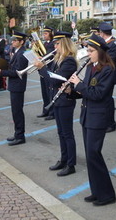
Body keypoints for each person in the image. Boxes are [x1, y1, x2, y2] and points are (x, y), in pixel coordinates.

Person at [68, 34, 116, 206]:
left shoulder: (108, 69)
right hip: (87, 115)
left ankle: (107, 194)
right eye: (87, 50)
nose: (88, 53)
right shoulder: (90, 67)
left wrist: (79, 84)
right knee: (90, 156)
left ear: (100, 52)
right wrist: (70, 91)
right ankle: (96, 191)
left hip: (99, 117)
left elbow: (98, 94)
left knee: (94, 154)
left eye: (91, 51)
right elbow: (85, 92)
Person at [35, 31, 78, 176]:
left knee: (67, 133)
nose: (55, 45)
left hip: (65, 100)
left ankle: (71, 164)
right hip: (57, 99)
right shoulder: (57, 59)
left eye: (57, 43)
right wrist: (42, 67)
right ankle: (64, 159)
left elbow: (55, 79)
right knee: (61, 132)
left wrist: (42, 67)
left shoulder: (69, 60)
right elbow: (47, 77)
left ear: (64, 44)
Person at [0, 31, 28, 146]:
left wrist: (2, 72)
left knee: (17, 111)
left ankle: (20, 136)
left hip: (18, 86)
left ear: (21, 42)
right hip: (15, 86)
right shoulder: (16, 51)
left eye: (15, 40)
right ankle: (17, 133)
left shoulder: (22, 54)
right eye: (12, 40)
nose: (12, 42)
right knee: (15, 111)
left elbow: (17, 72)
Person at [99, 22, 116, 132]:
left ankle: (111, 123)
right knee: (104, 100)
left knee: (108, 100)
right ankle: (105, 121)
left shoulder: (113, 44)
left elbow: (109, 60)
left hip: (109, 75)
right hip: (102, 75)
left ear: (103, 33)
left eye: (100, 33)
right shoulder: (104, 43)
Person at [37, 26, 55, 120]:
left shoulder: (53, 44)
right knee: (44, 92)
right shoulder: (44, 44)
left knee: (50, 92)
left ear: (51, 34)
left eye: (46, 33)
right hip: (42, 70)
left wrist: (42, 57)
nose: (44, 35)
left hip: (49, 69)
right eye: (43, 33)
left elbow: (49, 56)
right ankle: (45, 110)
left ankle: (52, 112)